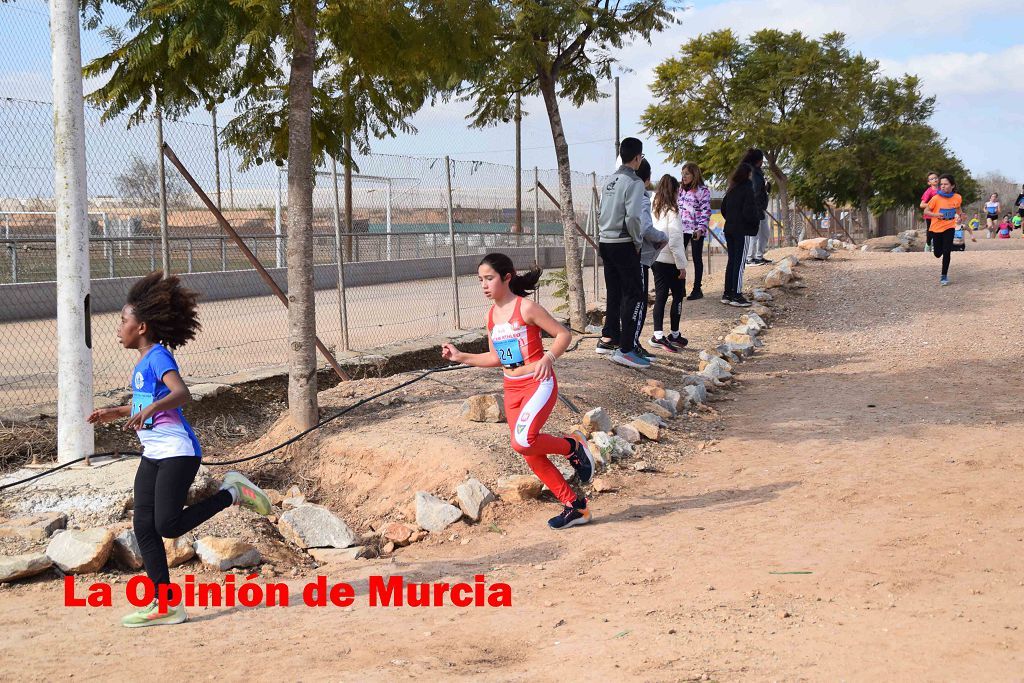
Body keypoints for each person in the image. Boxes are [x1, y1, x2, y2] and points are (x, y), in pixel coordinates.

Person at [87, 272, 272, 628]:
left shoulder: (157, 357)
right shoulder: (142, 363)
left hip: (178, 451)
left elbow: (180, 394)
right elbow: (151, 401)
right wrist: (118, 412)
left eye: (123, 321)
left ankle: (232, 493)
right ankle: (165, 604)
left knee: (167, 525)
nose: (118, 326)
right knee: (143, 525)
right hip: (154, 453)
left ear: (141, 327)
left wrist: (147, 410)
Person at [441, 254, 596, 530]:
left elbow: (563, 335)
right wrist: (459, 356)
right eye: (480, 280)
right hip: (511, 388)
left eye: (489, 278)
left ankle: (572, 446)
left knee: (523, 441)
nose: (484, 285)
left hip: (538, 383)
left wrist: (549, 359)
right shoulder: (491, 316)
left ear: (507, 278)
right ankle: (576, 506)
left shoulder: (526, 308)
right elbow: (495, 358)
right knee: (529, 452)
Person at [597, 137, 654, 369]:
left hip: (605, 241)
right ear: (638, 157)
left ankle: (610, 337)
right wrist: (637, 241)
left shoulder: (609, 181)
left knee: (615, 291)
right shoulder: (635, 182)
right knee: (635, 294)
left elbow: (602, 210)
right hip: (624, 242)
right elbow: (632, 217)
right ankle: (627, 348)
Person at [633, 159, 669, 358]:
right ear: (647, 179)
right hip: (638, 256)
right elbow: (645, 228)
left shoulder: (621, 192)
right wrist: (662, 237)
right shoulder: (642, 196)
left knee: (625, 300)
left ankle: (625, 341)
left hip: (618, 252)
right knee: (638, 302)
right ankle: (632, 344)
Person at [649, 174, 688, 352]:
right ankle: (674, 333)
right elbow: (675, 240)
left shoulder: (653, 207)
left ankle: (658, 335)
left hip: (655, 258)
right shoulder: (673, 211)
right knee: (678, 296)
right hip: (670, 260)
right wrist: (682, 265)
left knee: (661, 297)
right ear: (673, 191)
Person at [720, 163, 759, 306]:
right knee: (740, 263)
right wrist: (754, 224)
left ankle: (727, 293)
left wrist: (731, 220)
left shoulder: (731, 189)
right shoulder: (747, 188)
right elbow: (749, 212)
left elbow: (723, 208)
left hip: (729, 229)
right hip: (742, 231)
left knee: (732, 261)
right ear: (748, 174)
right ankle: (736, 295)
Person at [923, 174, 970, 285]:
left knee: (947, 251)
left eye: (946, 184)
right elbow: (926, 211)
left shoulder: (957, 197)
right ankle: (934, 244)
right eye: (941, 184)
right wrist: (935, 214)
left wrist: (961, 216)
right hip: (936, 228)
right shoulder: (936, 198)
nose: (943, 186)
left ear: (952, 185)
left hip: (949, 227)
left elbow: (958, 209)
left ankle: (944, 276)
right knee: (938, 253)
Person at [678, 162, 712, 300]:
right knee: (679, 258)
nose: (684, 176)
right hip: (681, 229)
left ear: (694, 174)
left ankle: (697, 289)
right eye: (682, 173)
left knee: (697, 258)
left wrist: (700, 228)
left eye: (687, 174)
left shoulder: (703, 191)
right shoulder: (680, 190)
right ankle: (680, 289)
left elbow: (706, 211)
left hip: (695, 230)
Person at [741, 148, 772, 266]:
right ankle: (750, 258)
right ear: (758, 160)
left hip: (760, 207)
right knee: (753, 234)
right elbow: (754, 192)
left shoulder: (758, 172)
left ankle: (759, 256)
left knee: (764, 233)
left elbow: (759, 189)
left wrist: (766, 189)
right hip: (755, 208)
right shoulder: (752, 172)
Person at [919, 171, 940, 252]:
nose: (934, 179)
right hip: (930, 215)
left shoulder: (942, 190)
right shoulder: (929, 191)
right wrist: (932, 205)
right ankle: (928, 245)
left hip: (939, 215)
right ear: (929, 182)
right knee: (930, 231)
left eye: (936, 178)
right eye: (932, 179)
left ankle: (936, 246)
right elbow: (922, 204)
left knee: (939, 230)